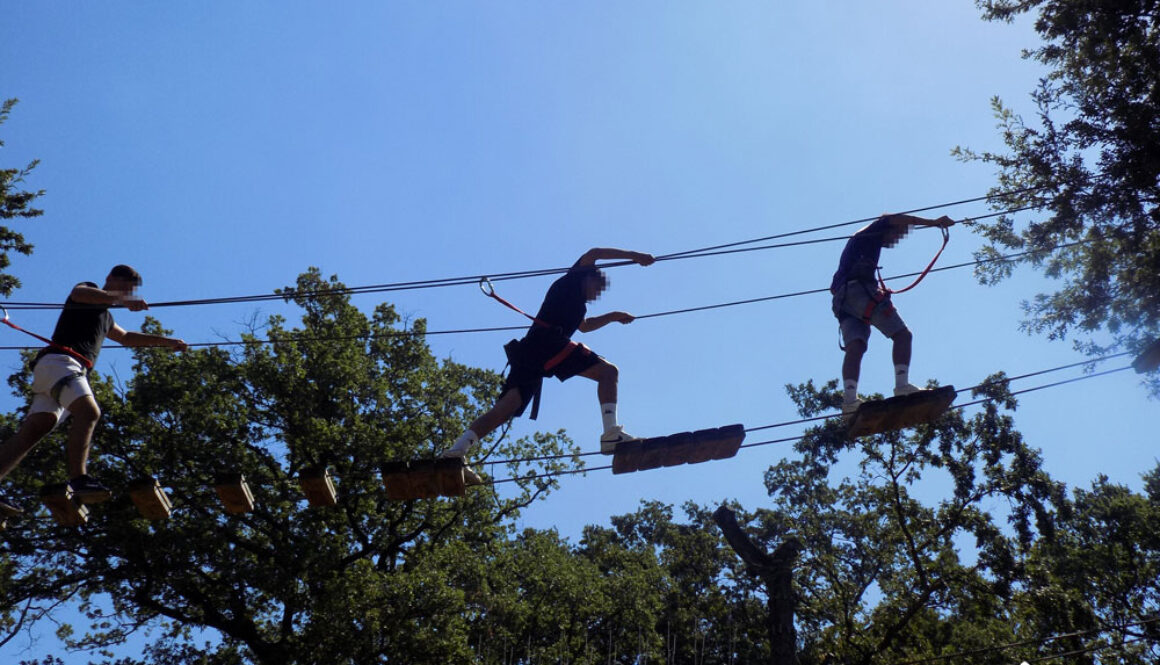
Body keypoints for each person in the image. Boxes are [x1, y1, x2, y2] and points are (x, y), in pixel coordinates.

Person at [0, 265, 187, 515]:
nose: (126, 294)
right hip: (61, 363)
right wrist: (124, 299)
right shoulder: (88, 291)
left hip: (55, 373)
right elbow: (79, 293)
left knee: (33, 432)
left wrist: (167, 343)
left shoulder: (107, 317)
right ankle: (79, 479)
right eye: (124, 288)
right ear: (110, 279)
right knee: (89, 413)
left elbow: (126, 338)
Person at [443, 248, 655, 461]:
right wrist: (635, 256)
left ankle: (456, 451)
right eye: (597, 288)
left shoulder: (579, 307)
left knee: (507, 406)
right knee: (608, 372)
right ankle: (611, 434)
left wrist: (614, 316)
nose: (597, 295)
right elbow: (595, 252)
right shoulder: (572, 280)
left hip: (530, 354)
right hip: (547, 344)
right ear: (588, 277)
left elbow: (585, 326)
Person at [830, 213, 954, 415]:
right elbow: (898, 218)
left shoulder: (861, 245)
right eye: (897, 235)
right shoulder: (873, 231)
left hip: (842, 301)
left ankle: (850, 402)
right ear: (889, 229)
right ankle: (902, 386)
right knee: (903, 335)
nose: (896, 240)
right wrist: (934, 222)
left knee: (856, 347)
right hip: (857, 291)